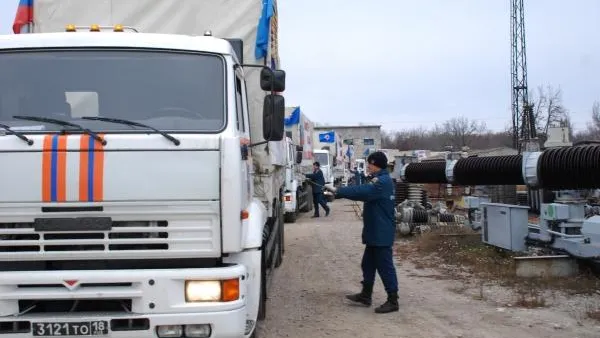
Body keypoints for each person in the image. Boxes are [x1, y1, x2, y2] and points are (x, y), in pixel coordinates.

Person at [324, 151, 399, 313]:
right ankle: (366, 295)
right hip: (375, 232)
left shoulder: (382, 182)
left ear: (376, 164)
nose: (368, 166)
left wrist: (339, 190)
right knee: (368, 265)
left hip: (381, 233)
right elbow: (365, 195)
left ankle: (393, 300)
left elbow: (363, 192)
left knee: (385, 267)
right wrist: (336, 196)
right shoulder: (380, 181)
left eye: (370, 163)